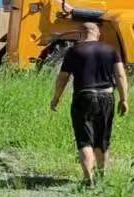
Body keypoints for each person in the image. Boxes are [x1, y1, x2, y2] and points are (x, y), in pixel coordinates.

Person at [49, 20, 128, 186]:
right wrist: (123, 99)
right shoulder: (110, 50)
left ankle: (88, 180)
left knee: (84, 139)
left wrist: (56, 98)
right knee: (102, 139)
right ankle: (101, 177)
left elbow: (63, 77)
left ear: (81, 34)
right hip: (107, 97)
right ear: (97, 33)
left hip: (83, 97)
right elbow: (120, 76)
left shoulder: (74, 51)